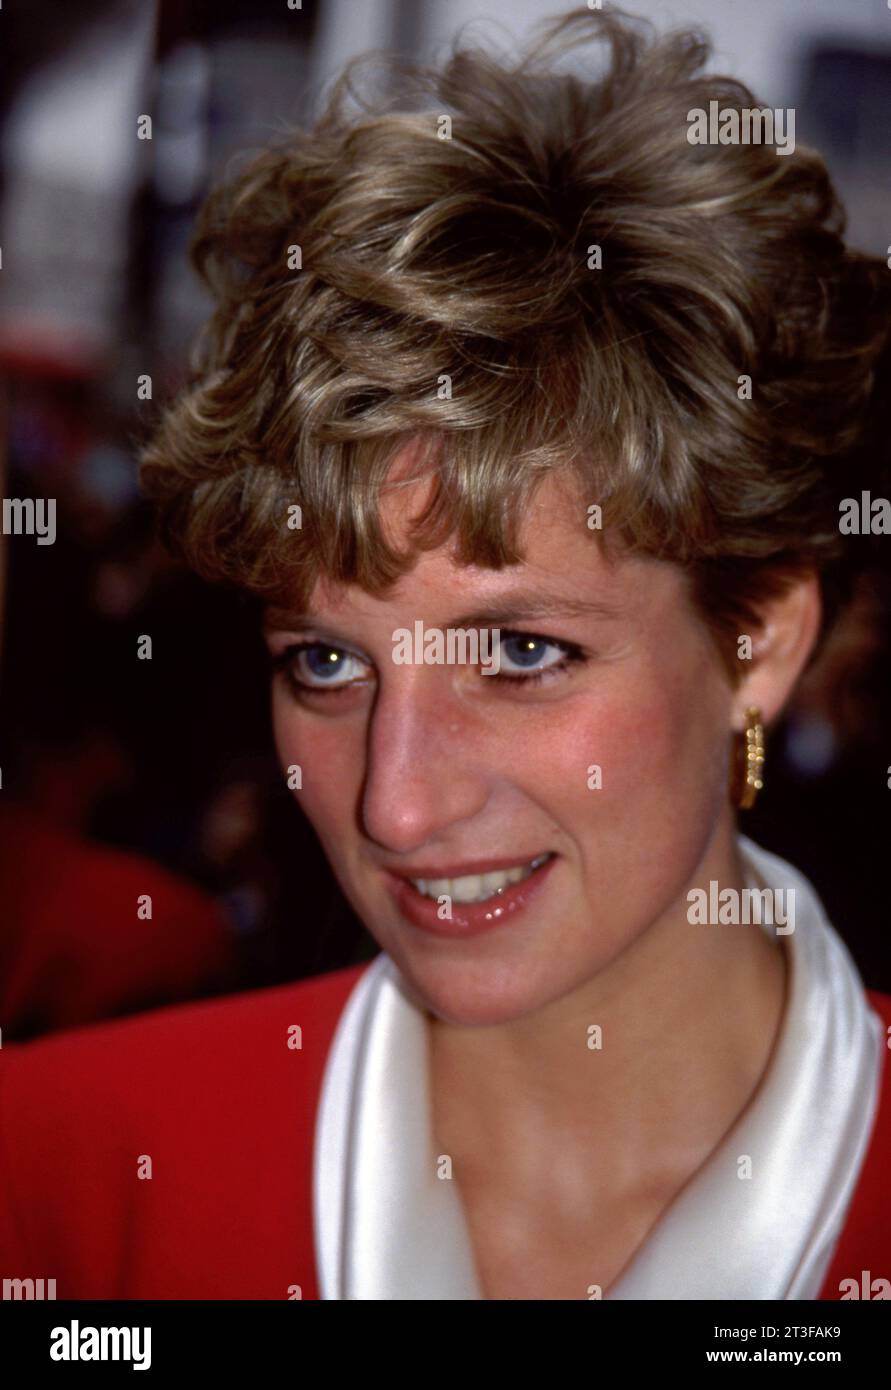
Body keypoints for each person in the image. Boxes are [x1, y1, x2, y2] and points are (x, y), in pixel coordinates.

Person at [1, 7, 890, 1300]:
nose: (396, 800)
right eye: (325, 663)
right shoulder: (66, 1172)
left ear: (759, 637)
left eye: (521, 650)